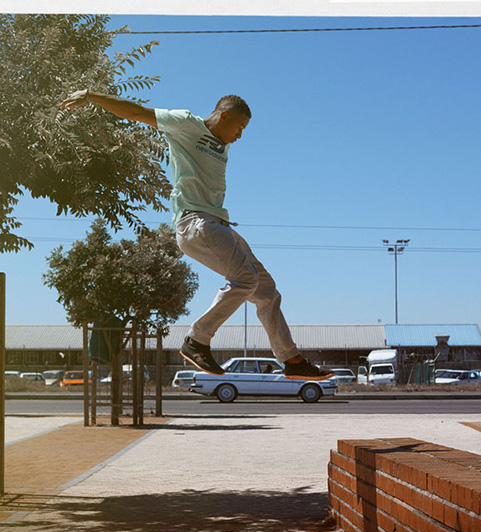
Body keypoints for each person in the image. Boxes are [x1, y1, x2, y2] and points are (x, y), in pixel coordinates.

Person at [59, 89, 334, 381]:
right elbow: (137, 112)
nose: (239, 137)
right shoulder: (186, 124)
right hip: (195, 222)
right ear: (224, 115)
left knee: (266, 291)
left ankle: (291, 360)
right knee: (245, 279)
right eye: (239, 128)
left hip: (218, 224)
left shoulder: (221, 143)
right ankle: (197, 340)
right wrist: (90, 95)